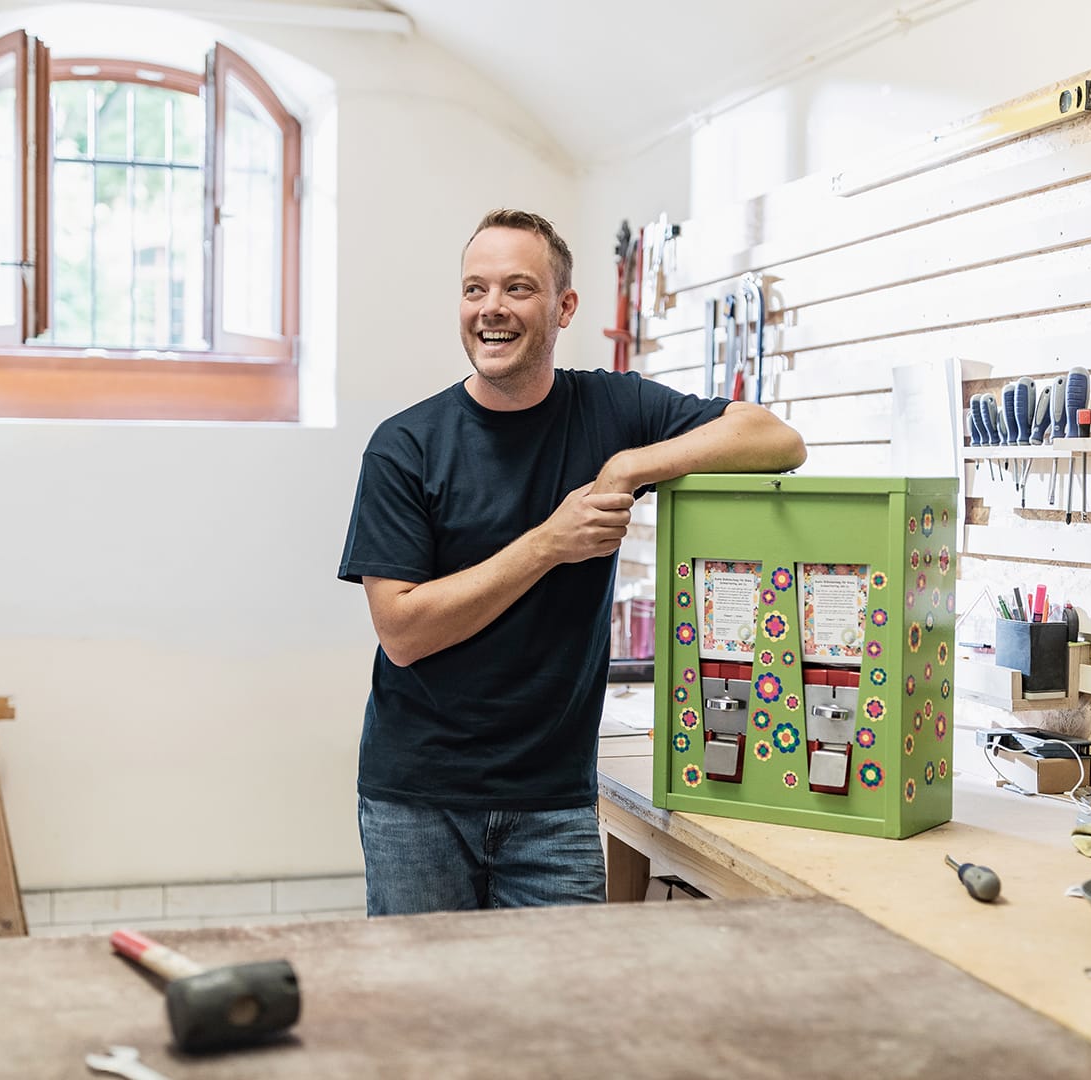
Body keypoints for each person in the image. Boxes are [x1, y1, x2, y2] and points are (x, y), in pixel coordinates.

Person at [338, 209, 806, 916]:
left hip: (552, 804)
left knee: (566, 1012)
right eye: (474, 289)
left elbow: (774, 438)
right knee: (427, 1015)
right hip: (420, 801)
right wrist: (548, 543)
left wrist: (629, 465)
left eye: (517, 288)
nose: (491, 308)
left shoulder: (611, 409)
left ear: (563, 307)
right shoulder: (406, 446)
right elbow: (402, 632)